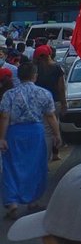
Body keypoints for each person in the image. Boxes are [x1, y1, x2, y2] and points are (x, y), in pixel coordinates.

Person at [0, 61, 61, 218]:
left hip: (14, 133)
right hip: (35, 132)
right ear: (35, 76)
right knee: (36, 166)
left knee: (11, 167)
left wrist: (2, 137)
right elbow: (50, 116)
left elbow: (5, 117)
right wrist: (57, 134)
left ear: (18, 77)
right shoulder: (44, 93)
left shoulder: (9, 95)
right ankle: (33, 200)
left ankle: (12, 202)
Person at [33, 44, 66, 161]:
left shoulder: (35, 69)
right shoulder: (57, 68)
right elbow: (61, 88)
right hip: (55, 101)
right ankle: (51, 155)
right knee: (53, 128)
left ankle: (47, 156)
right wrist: (64, 103)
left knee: (46, 129)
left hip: (38, 104)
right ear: (50, 54)